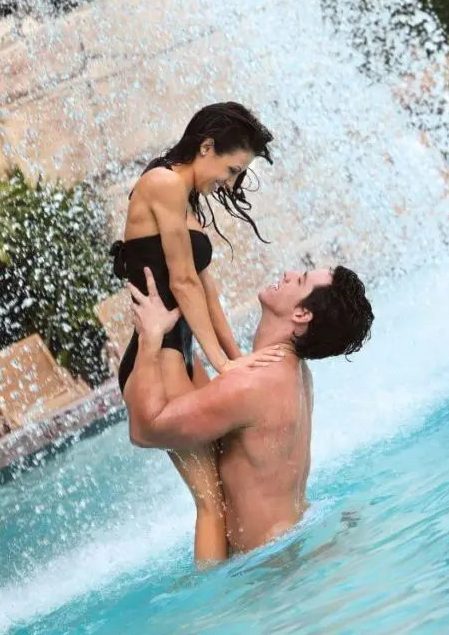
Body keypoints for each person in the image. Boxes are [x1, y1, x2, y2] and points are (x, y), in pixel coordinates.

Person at [111, 102, 280, 565]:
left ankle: (256, 571)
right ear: (206, 146)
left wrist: (234, 357)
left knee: (230, 472)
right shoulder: (162, 183)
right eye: (230, 169)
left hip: (183, 354)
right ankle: (213, 611)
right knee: (210, 502)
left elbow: (207, 288)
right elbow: (181, 281)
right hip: (158, 354)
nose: (229, 182)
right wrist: (224, 364)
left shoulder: (186, 197)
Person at [125, 262, 374, 557]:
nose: (289, 273)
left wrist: (150, 337)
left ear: (301, 314)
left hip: (265, 570)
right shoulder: (292, 373)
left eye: (301, 279)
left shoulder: (253, 385)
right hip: (292, 542)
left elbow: (143, 431)